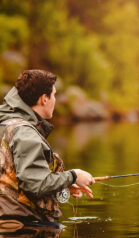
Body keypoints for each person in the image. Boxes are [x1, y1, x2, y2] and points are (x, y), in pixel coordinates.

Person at [0, 69, 101, 227]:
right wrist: (74, 175)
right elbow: (35, 185)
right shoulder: (25, 133)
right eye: (53, 95)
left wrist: (61, 184)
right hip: (22, 226)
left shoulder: (6, 124)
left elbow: (16, 176)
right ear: (44, 99)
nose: (55, 100)